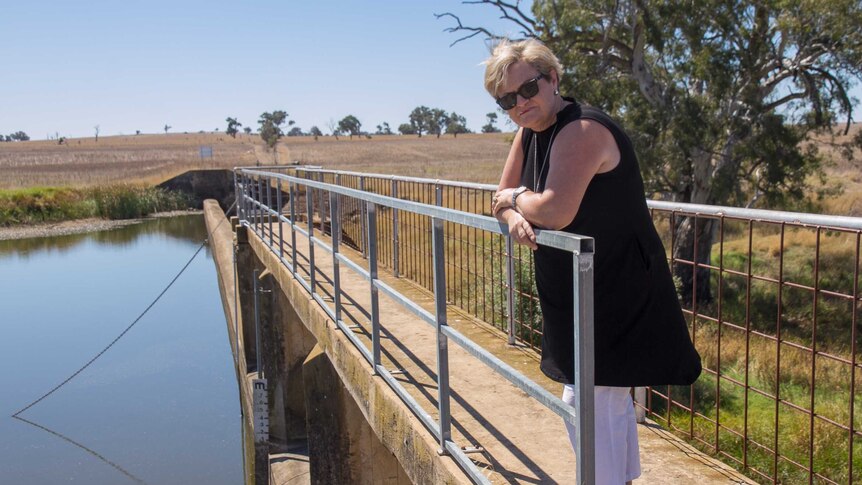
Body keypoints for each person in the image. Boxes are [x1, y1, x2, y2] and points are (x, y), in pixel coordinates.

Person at [484, 38, 702, 484]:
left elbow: (554, 209)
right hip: (577, 289)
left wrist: (516, 199)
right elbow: (499, 197)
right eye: (506, 100)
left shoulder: (583, 130)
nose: (519, 104)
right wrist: (509, 213)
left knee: (586, 400)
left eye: (527, 89)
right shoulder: (528, 132)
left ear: (553, 79)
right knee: (607, 398)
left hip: (614, 288)